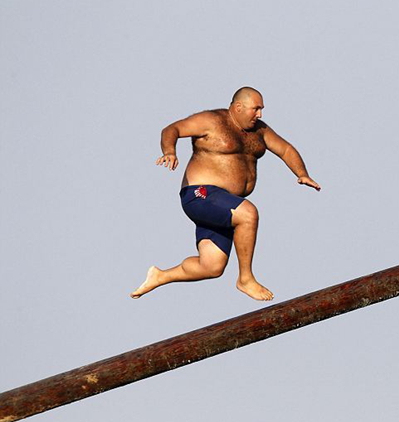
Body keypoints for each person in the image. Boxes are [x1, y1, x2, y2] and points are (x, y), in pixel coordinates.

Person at [131, 87, 320, 301]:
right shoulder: (212, 121)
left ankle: (161, 276)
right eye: (256, 109)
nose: (260, 114)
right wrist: (170, 151)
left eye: (262, 109)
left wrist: (302, 173)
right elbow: (172, 129)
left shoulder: (260, 131)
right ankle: (245, 279)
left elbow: (285, 149)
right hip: (200, 194)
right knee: (248, 214)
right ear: (238, 107)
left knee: (211, 266)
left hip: (223, 205)